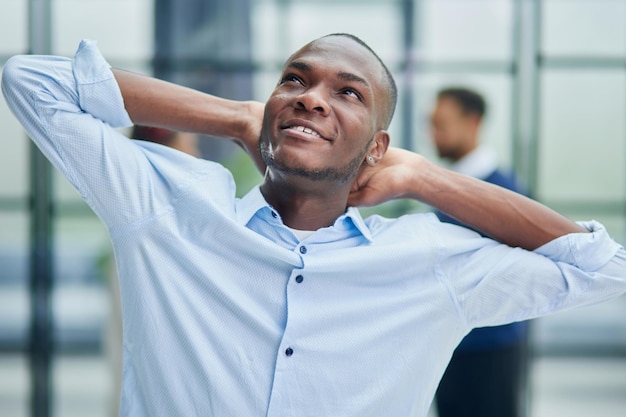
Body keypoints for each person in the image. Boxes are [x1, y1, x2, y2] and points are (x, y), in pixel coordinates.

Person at [2, 34, 625, 417]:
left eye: (348, 93)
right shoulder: (168, 209)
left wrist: (424, 178)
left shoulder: (428, 260)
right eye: (294, 81)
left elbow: (605, 268)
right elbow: (30, 80)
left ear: (377, 147)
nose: (312, 97)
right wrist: (238, 116)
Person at [430, 87, 530, 417]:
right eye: (431, 124)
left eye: (441, 124)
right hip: (451, 343)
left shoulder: (503, 191)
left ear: (473, 123)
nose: (434, 135)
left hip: (490, 347)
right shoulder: (446, 189)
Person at [103, 125, 200, 417]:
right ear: (167, 152)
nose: (196, 154)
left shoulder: (133, 214)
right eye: (189, 144)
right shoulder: (156, 227)